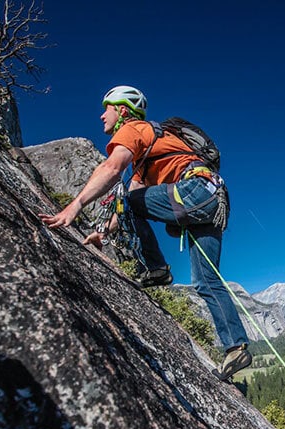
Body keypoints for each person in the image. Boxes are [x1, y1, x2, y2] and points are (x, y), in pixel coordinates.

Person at [39, 85, 252, 381]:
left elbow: (112, 168)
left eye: (107, 108)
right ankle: (236, 348)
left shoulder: (133, 129)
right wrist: (104, 233)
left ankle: (156, 269)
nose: (102, 116)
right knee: (206, 280)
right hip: (213, 197)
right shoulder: (148, 157)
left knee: (125, 198)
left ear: (123, 111)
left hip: (194, 191)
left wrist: (75, 206)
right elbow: (132, 201)